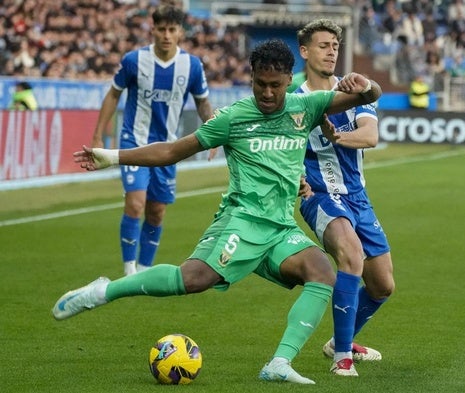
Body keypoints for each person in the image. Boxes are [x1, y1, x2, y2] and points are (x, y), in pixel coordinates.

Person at [52, 39, 383, 385]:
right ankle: (104, 291)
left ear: (289, 80)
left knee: (322, 272)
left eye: (275, 86)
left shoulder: (308, 106)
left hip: (281, 228)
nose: (267, 93)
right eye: (260, 84)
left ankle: (279, 363)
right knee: (192, 280)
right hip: (241, 222)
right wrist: (114, 156)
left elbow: (368, 96)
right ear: (251, 78)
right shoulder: (232, 118)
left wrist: (366, 84)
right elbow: (172, 151)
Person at [292, 19, 394, 377]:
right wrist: (296, 179)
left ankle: (340, 342)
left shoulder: (354, 90)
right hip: (319, 196)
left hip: (358, 198)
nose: (331, 51)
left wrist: (337, 137)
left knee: (382, 285)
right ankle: (342, 361)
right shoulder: (294, 99)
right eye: (323, 45)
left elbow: (370, 136)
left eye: (334, 45)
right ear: (304, 52)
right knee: (350, 254)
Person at [90, 4, 214, 276]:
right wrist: (99, 133)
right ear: (153, 30)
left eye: (172, 29)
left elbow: (203, 103)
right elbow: (113, 94)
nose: (166, 35)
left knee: (156, 211)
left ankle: (145, 269)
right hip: (134, 141)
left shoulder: (191, 65)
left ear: (180, 32)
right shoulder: (134, 60)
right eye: (161, 29)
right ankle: (129, 270)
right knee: (135, 203)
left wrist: (213, 131)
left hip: (169, 148)